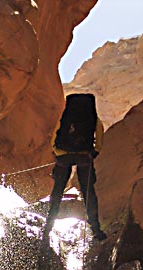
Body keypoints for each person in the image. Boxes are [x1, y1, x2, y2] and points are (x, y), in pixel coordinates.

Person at [42, 93, 106, 242]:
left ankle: (48, 225)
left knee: (57, 190)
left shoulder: (66, 116)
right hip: (84, 156)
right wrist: (93, 153)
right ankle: (95, 228)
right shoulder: (92, 118)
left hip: (64, 156)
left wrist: (57, 153)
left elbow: (55, 136)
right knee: (88, 191)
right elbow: (100, 137)